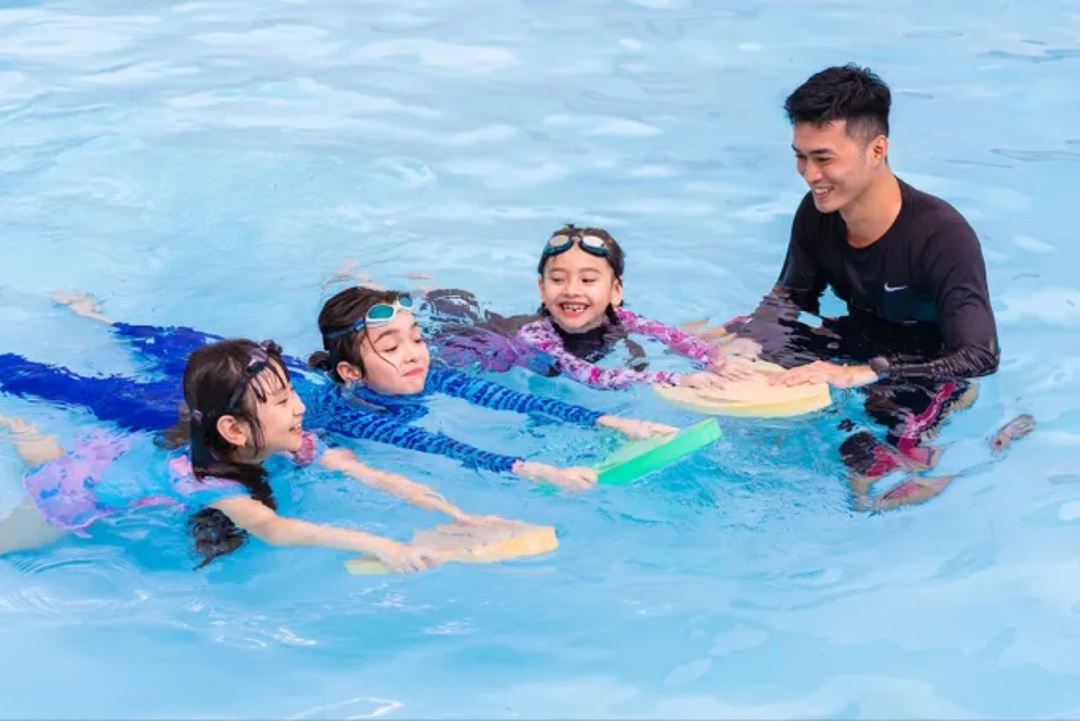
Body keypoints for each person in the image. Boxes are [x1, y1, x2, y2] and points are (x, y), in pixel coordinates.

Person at [728, 63, 999, 504]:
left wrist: (864, 373)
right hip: (854, 340)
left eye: (824, 159)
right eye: (800, 156)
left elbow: (980, 355)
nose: (809, 174)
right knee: (735, 345)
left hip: (925, 365)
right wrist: (745, 345)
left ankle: (930, 439)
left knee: (870, 470)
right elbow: (790, 298)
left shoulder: (942, 236)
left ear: (877, 150)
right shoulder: (816, 212)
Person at [0, 338, 501, 571]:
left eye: (291, 392)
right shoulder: (208, 482)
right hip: (76, 495)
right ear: (234, 429)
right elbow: (277, 530)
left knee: (46, 454)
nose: (299, 406)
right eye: (282, 401)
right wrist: (381, 544)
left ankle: (15, 424)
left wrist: (458, 515)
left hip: (107, 459)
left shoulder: (290, 440)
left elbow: (374, 476)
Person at [305, 286, 681, 490]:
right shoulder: (350, 415)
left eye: (416, 340)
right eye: (391, 348)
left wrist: (614, 422)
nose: (414, 354)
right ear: (350, 372)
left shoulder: (429, 374)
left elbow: (516, 400)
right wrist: (537, 470)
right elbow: (441, 447)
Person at [511, 224, 759, 390]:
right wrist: (676, 378)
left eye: (587, 280)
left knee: (681, 340)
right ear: (542, 288)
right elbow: (591, 376)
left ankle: (726, 330)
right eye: (557, 280)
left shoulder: (619, 317)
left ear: (615, 291)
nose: (571, 290)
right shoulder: (535, 337)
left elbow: (671, 335)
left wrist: (714, 359)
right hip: (504, 350)